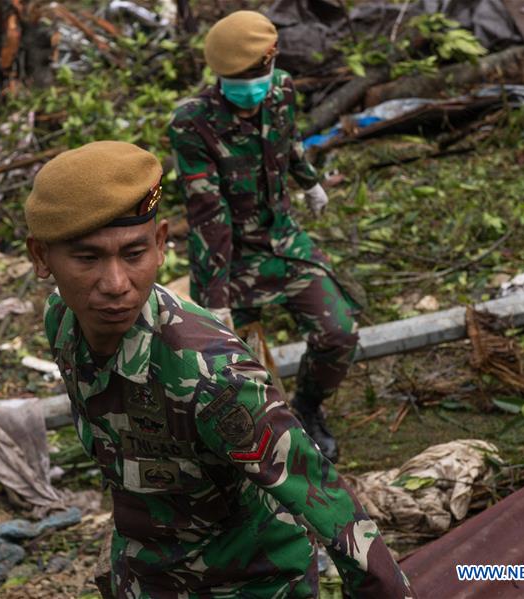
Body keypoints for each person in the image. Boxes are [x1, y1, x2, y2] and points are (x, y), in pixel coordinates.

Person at [24, 140, 414, 598]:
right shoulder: (63, 322)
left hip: (248, 581)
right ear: (41, 257)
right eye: (87, 258)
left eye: (134, 254)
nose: (115, 285)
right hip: (148, 569)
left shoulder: (210, 376)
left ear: (161, 244)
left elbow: (321, 493)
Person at [168, 11, 357, 463]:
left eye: (256, 73)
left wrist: (308, 180)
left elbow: (287, 139)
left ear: (272, 59)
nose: (249, 86)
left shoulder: (282, 90)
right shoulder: (193, 123)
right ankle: (263, 443)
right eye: (235, 78)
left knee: (339, 333)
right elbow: (207, 214)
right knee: (236, 368)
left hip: (283, 240)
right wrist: (215, 298)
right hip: (228, 258)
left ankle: (309, 410)